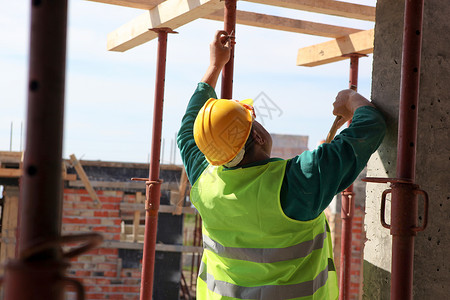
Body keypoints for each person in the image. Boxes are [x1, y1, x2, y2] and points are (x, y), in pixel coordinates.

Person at [177, 30, 386, 300]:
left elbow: (186, 133)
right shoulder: (299, 180)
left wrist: (214, 67)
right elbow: (371, 125)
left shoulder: (205, 181)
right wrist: (350, 99)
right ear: (259, 136)